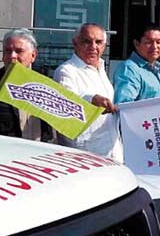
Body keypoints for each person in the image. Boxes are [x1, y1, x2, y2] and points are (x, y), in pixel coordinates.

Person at [52, 23, 121, 160]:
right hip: (84, 156)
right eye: (87, 42)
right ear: (75, 43)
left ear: (104, 45)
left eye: (98, 42)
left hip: (112, 152)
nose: (93, 47)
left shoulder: (101, 69)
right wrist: (92, 99)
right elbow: (66, 105)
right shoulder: (66, 71)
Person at [113, 24, 160, 104]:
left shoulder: (155, 69)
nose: (155, 47)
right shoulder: (129, 69)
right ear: (136, 44)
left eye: (158, 42)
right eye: (149, 42)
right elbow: (125, 105)